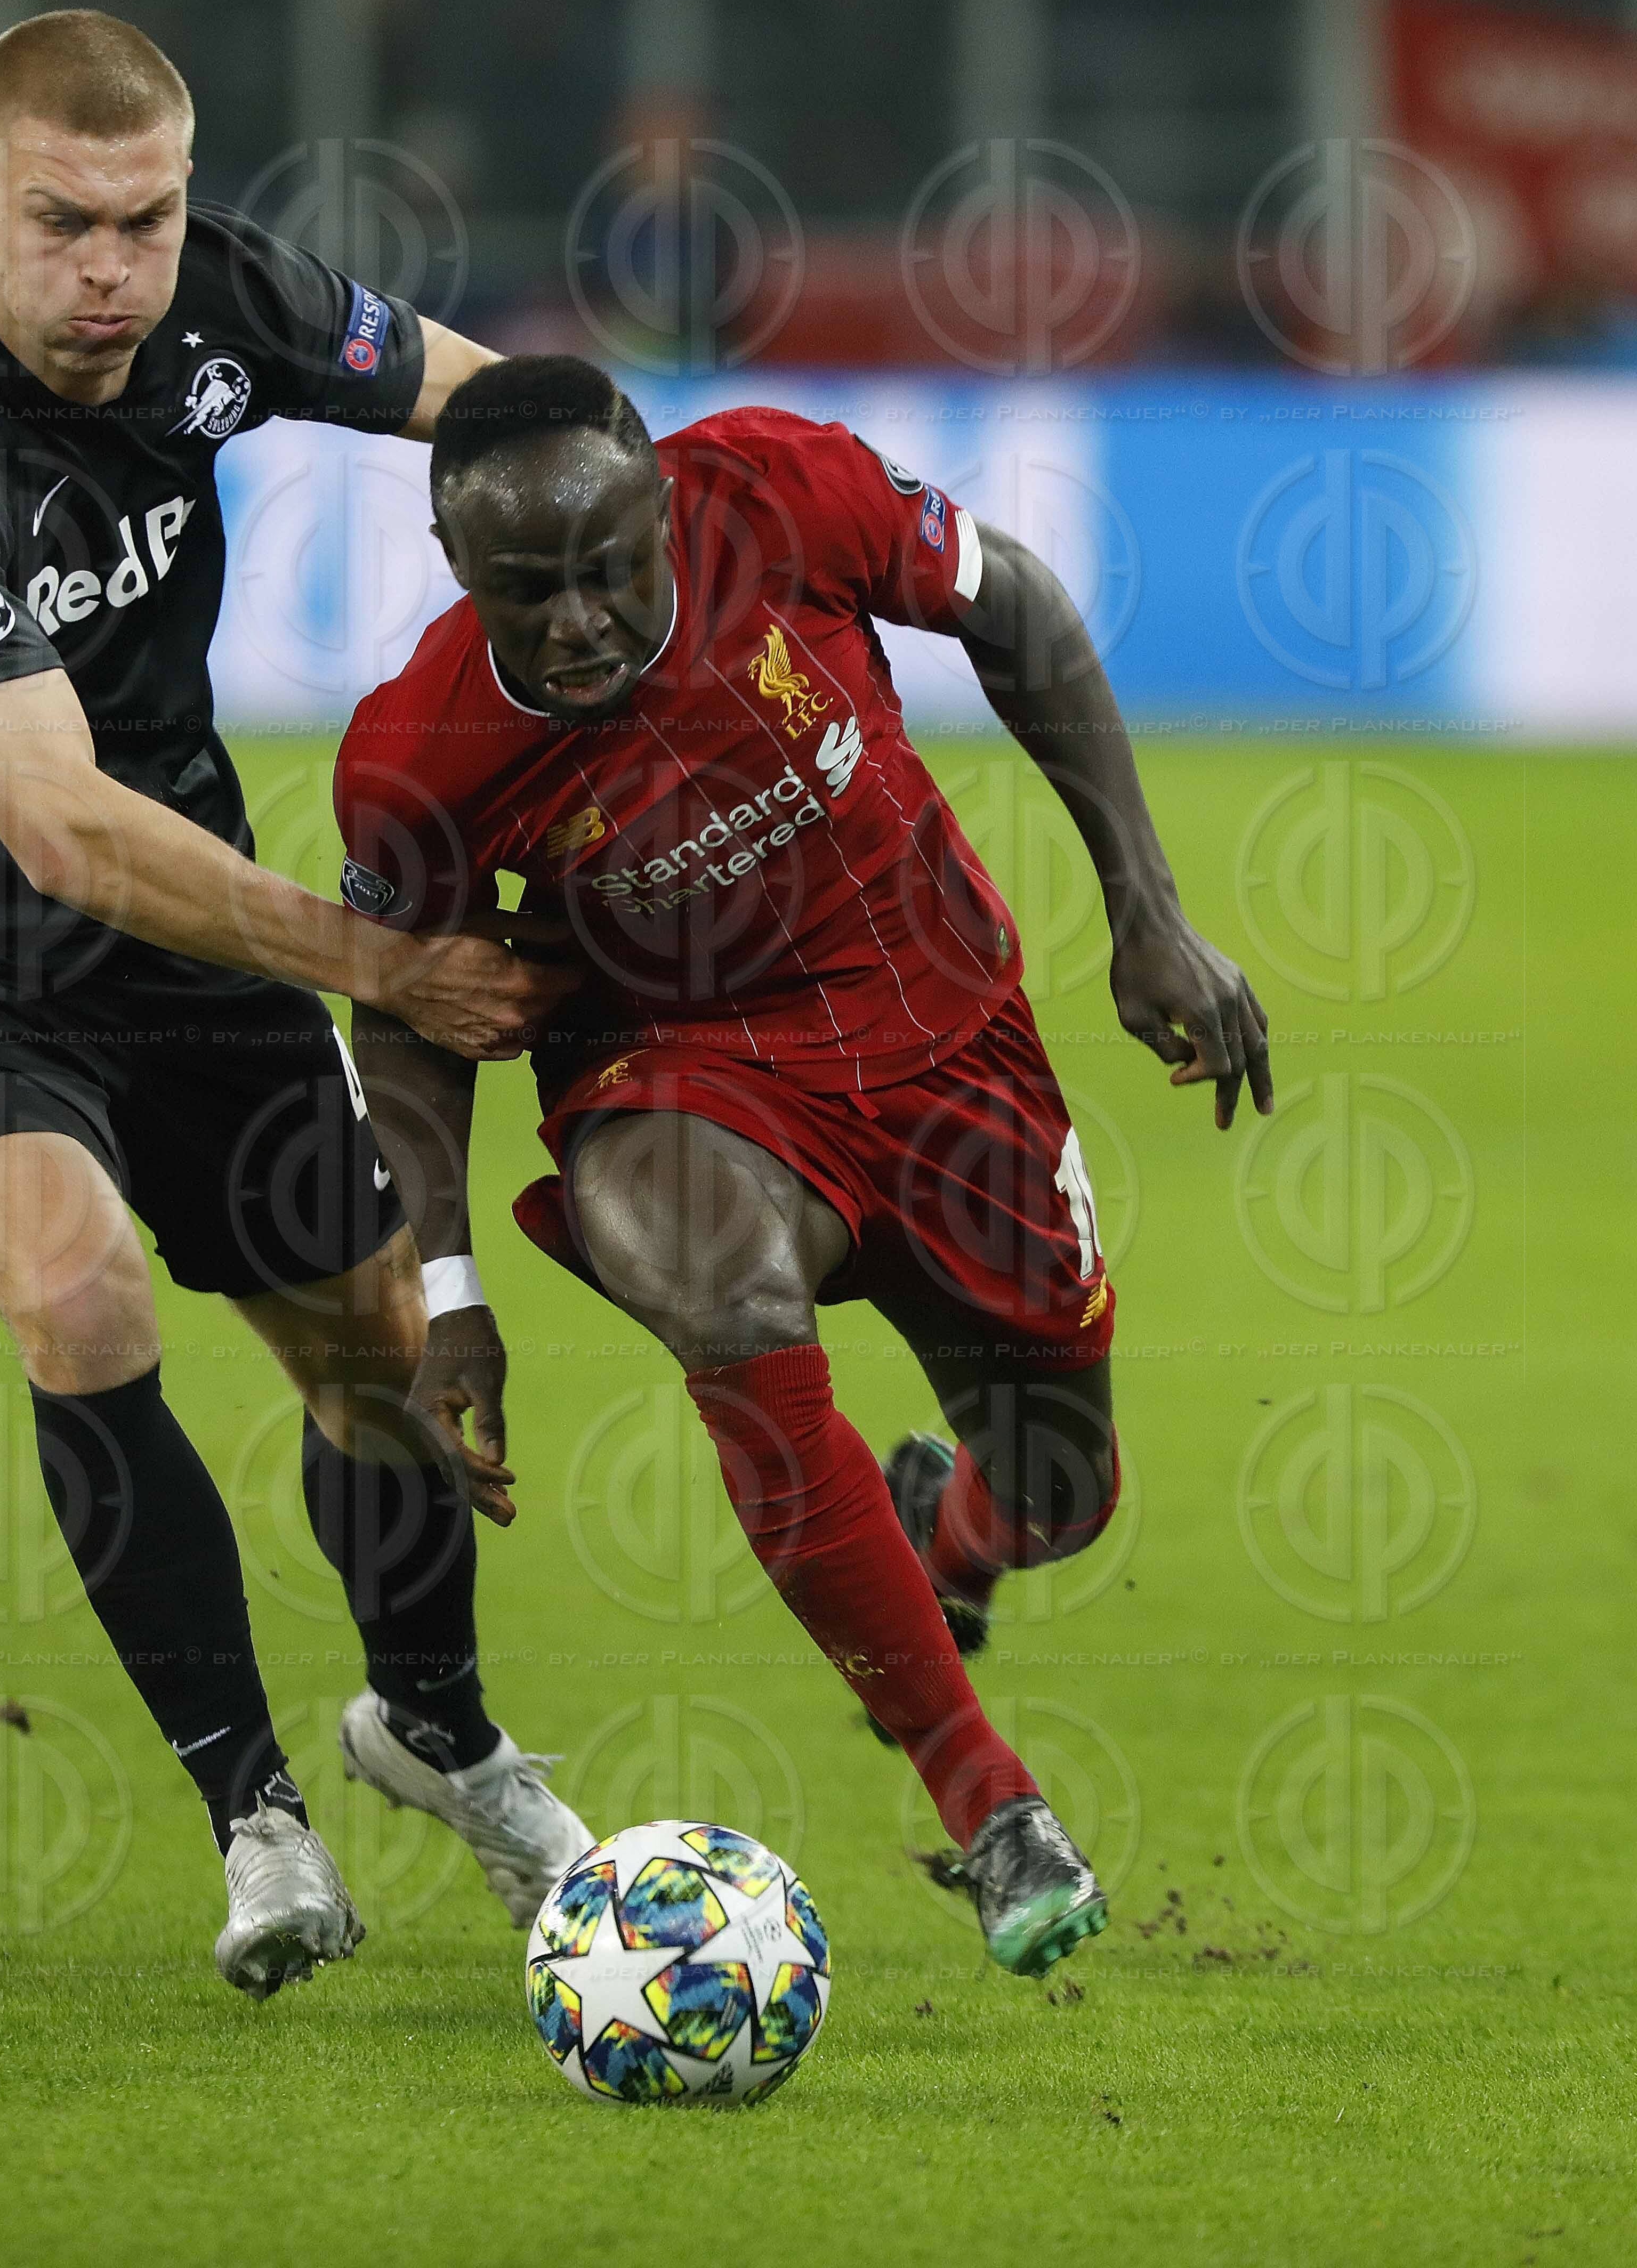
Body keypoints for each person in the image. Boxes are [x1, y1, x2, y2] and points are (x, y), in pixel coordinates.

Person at [0, 12, 590, 2000]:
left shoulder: (218, 297)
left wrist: (619, 518)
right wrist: (384, 964)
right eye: (64, 225)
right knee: (78, 1278)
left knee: (374, 1354)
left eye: (146, 219)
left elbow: (491, 408)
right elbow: (55, 827)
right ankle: (260, 1820)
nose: (113, 272)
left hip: (183, 929)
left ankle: (439, 1733)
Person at [333, 355, 1273, 1977]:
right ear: (451, 565)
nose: (575, 623)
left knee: (1065, 1495)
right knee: (728, 1296)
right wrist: (450, 1291)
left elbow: (1018, 606)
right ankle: (993, 1813)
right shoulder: (421, 755)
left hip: (945, 1034)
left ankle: (952, 1529)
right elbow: (403, 1004)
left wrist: (1146, 906)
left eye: (611, 570)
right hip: (678, 1076)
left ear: (665, 512)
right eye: (524, 590)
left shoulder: (779, 486)